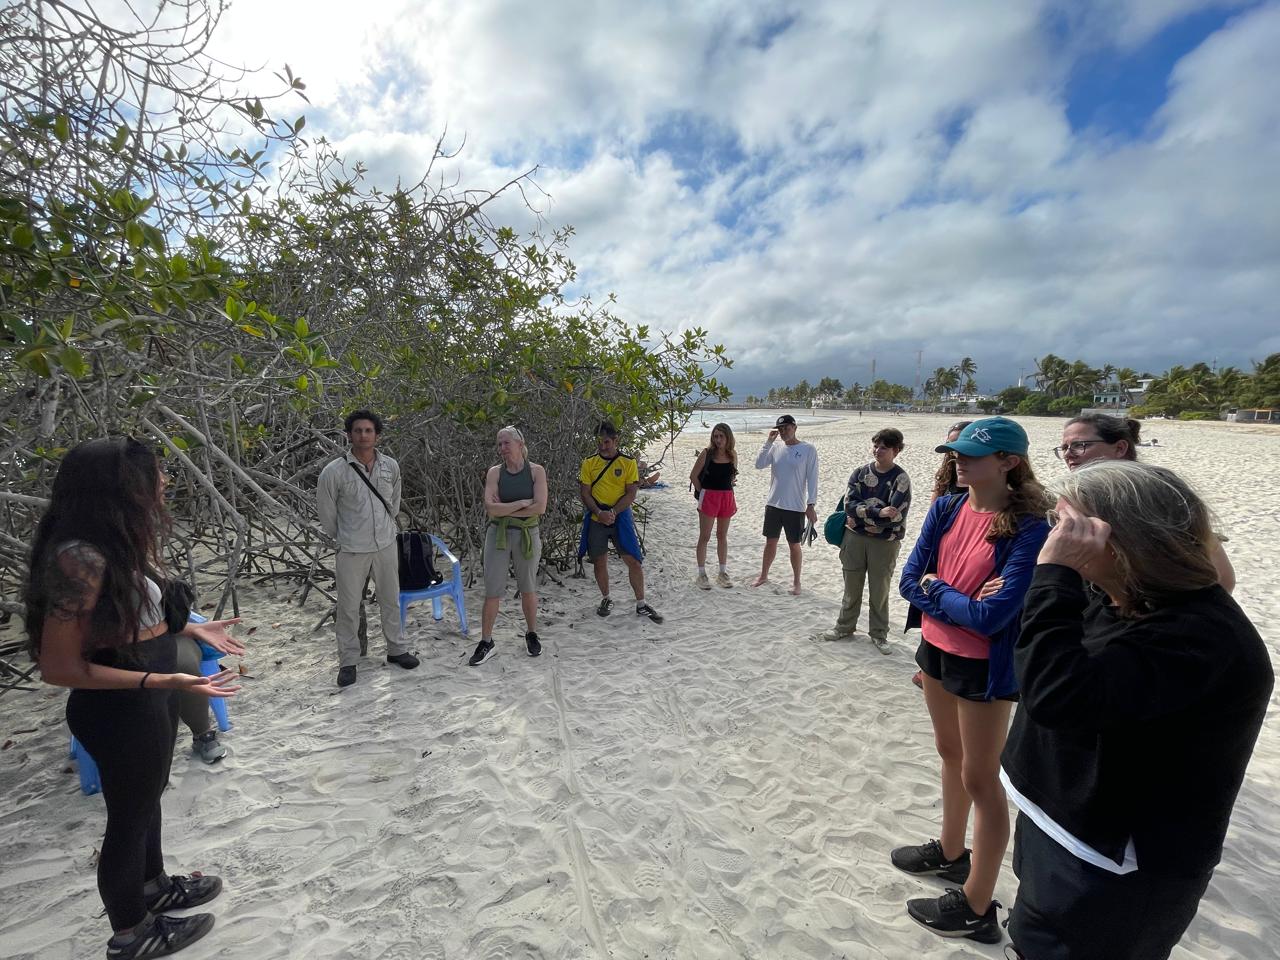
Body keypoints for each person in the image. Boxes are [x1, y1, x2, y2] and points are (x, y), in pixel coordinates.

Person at [1002, 462, 1272, 959]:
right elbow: (1045, 659)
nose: (1055, 537)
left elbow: (1056, 696)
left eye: (1070, 526)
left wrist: (1053, 576)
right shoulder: (1120, 597)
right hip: (1062, 829)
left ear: (1127, 540)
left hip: (1119, 866)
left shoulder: (1201, 637)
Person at [24, 438, 242, 959]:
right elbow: (59, 667)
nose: (165, 485)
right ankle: (130, 934)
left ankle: (154, 887)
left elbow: (133, 612)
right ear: (118, 489)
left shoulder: (113, 540)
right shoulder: (78, 558)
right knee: (127, 818)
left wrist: (191, 627)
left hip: (152, 695)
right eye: (155, 478)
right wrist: (154, 682)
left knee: (148, 798)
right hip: (121, 706)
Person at [894, 417, 1052, 944]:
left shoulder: (1029, 527)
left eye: (971, 454)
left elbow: (995, 617)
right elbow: (907, 579)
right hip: (936, 649)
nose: (958, 460)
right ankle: (951, 851)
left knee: (982, 780)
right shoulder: (947, 506)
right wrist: (949, 595)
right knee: (949, 753)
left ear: (1009, 462)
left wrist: (937, 591)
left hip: (985, 667)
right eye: (955, 452)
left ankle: (978, 904)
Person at [1056, 414, 1235, 591]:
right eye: (1064, 447)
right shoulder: (1073, 494)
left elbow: (1220, 577)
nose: (1068, 454)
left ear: (1119, 448)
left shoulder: (1155, 493)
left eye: (1079, 445)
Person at [317, 410, 419, 687]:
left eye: (369, 430)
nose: (363, 435)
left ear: (377, 435)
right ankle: (348, 661)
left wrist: (383, 530)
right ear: (349, 435)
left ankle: (397, 649)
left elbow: (394, 503)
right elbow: (327, 514)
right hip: (351, 549)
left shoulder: (390, 467)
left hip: (385, 544)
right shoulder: (333, 472)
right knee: (348, 607)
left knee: (390, 599)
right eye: (358, 430)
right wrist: (347, 536)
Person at [820, 428, 911, 653]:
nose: (878, 451)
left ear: (896, 451)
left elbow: (896, 516)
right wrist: (878, 513)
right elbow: (849, 505)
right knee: (852, 585)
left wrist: (864, 517)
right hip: (854, 540)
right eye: (876, 446)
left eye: (884, 447)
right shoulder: (860, 473)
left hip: (885, 543)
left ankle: (879, 634)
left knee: (879, 589)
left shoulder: (901, 478)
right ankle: (844, 627)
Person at [471, 426, 548, 666]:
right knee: (492, 590)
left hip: (527, 533)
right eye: (499, 444)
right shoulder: (495, 473)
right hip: (499, 534)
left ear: (519, 443)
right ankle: (486, 641)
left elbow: (540, 508)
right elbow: (491, 508)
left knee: (528, 587)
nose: (502, 448)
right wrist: (523, 503)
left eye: (506, 443)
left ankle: (531, 633)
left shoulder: (536, 471)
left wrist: (508, 506)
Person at [578, 421, 663, 623]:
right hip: (596, 515)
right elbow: (585, 493)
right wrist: (599, 512)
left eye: (606, 442)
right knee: (599, 560)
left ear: (616, 440)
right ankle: (606, 598)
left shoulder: (627, 462)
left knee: (633, 559)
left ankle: (641, 603)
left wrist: (613, 512)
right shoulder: (589, 463)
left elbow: (631, 492)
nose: (602, 446)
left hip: (620, 515)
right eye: (599, 442)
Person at [912, 420, 972, 687]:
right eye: (951, 446)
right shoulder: (948, 472)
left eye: (961, 444)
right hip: (942, 543)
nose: (955, 454)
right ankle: (927, 666)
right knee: (927, 601)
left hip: (967, 549)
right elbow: (935, 503)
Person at [751, 414, 819, 595]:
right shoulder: (775, 447)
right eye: (780, 429)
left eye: (786, 428)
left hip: (795, 507)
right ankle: (763, 575)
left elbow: (813, 478)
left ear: (795, 427)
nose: (783, 432)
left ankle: (797, 582)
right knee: (770, 542)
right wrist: (768, 442)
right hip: (773, 504)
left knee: (794, 545)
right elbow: (758, 465)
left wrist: (811, 504)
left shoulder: (808, 449)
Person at [689, 422, 738, 589]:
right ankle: (702, 574)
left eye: (721, 436)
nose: (718, 440)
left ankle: (722, 573)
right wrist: (703, 492)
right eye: (715, 436)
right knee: (705, 536)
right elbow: (693, 476)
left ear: (728, 437)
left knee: (722, 536)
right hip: (709, 497)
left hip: (727, 497)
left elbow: (732, 478)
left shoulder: (732, 455)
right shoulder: (706, 454)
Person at [931, 420, 973, 501]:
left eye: (960, 444)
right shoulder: (947, 475)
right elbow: (933, 507)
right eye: (951, 445)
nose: (956, 449)